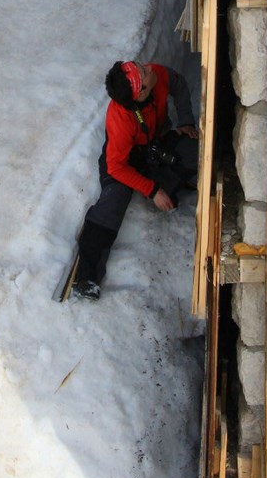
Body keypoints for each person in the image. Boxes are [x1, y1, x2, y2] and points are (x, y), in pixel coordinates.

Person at [74, 61, 199, 300]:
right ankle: (86, 277)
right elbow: (116, 167)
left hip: (155, 146)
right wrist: (152, 190)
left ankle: (168, 185)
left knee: (194, 151)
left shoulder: (156, 75)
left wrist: (185, 121)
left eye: (141, 67)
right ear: (140, 92)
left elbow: (179, 84)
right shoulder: (120, 118)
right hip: (124, 161)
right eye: (144, 72)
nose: (149, 69)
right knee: (114, 201)